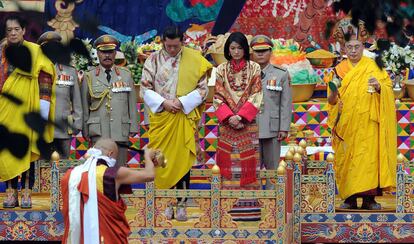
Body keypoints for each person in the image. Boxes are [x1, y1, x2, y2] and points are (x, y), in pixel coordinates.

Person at [140, 26, 212, 221]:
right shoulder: (152, 60)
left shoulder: (194, 58)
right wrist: (164, 102)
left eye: (175, 46)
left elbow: (203, 90)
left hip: (183, 117)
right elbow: (144, 89)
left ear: (182, 41)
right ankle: (167, 203)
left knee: (182, 162)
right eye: (168, 46)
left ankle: (182, 204)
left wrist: (181, 102)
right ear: (163, 41)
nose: (172, 50)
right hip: (162, 118)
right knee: (162, 162)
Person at [327, 25, 397, 210]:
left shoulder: (374, 67)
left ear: (363, 46)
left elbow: (389, 90)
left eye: (357, 46)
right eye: (349, 47)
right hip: (347, 123)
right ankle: (349, 198)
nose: (353, 50)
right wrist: (333, 94)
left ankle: (369, 199)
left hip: (368, 123)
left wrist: (380, 87)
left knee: (368, 159)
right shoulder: (339, 70)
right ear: (344, 48)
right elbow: (331, 100)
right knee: (348, 159)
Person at [0, 15, 56, 209]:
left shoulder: (35, 51)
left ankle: (26, 192)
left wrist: (42, 110)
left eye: (17, 29)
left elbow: (46, 80)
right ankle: (10, 192)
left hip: (29, 110)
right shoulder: (1, 52)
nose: (13, 33)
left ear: (23, 30)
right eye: (9, 30)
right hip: (5, 111)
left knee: (27, 150)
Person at [61, 138, 157, 243]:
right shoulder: (113, 173)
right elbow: (149, 175)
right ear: (110, 154)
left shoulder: (70, 176)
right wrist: (147, 157)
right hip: (109, 237)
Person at [214, 32, 263, 221]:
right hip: (227, 124)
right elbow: (217, 96)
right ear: (227, 49)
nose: (236, 52)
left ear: (245, 49)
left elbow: (257, 94)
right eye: (232, 48)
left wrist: (241, 116)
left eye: (239, 48)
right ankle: (227, 209)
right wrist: (230, 118)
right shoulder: (220, 69)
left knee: (247, 164)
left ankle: (250, 209)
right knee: (229, 165)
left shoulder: (255, 68)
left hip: (247, 123)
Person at [81, 34, 138, 166]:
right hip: (98, 131)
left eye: (110, 52)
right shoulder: (89, 76)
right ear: (98, 53)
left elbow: (131, 103)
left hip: (120, 129)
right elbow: (85, 106)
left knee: (120, 169)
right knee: (99, 171)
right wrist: (85, 129)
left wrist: (133, 126)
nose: (107, 55)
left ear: (115, 53)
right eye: (103, 52)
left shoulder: (126, 75)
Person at [250, 35, 292, 189]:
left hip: (273, 128)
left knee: (273, 168)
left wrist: (284, 127)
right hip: (250, 127)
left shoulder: (281, 74)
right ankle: (252, 202)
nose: (260, 54)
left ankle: (273, 203)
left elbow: (285, 103)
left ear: (270, 52)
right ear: (251, 52)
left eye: (264, 50)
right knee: (251, 168)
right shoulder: (245, 73)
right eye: (257, 51)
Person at [37, 31, 83, 159]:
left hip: (63, 128)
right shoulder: (35, 71)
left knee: (62, 168)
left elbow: (77, 100)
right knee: (42, 170)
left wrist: (77, 123)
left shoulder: (70, 71)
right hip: (42, 129)